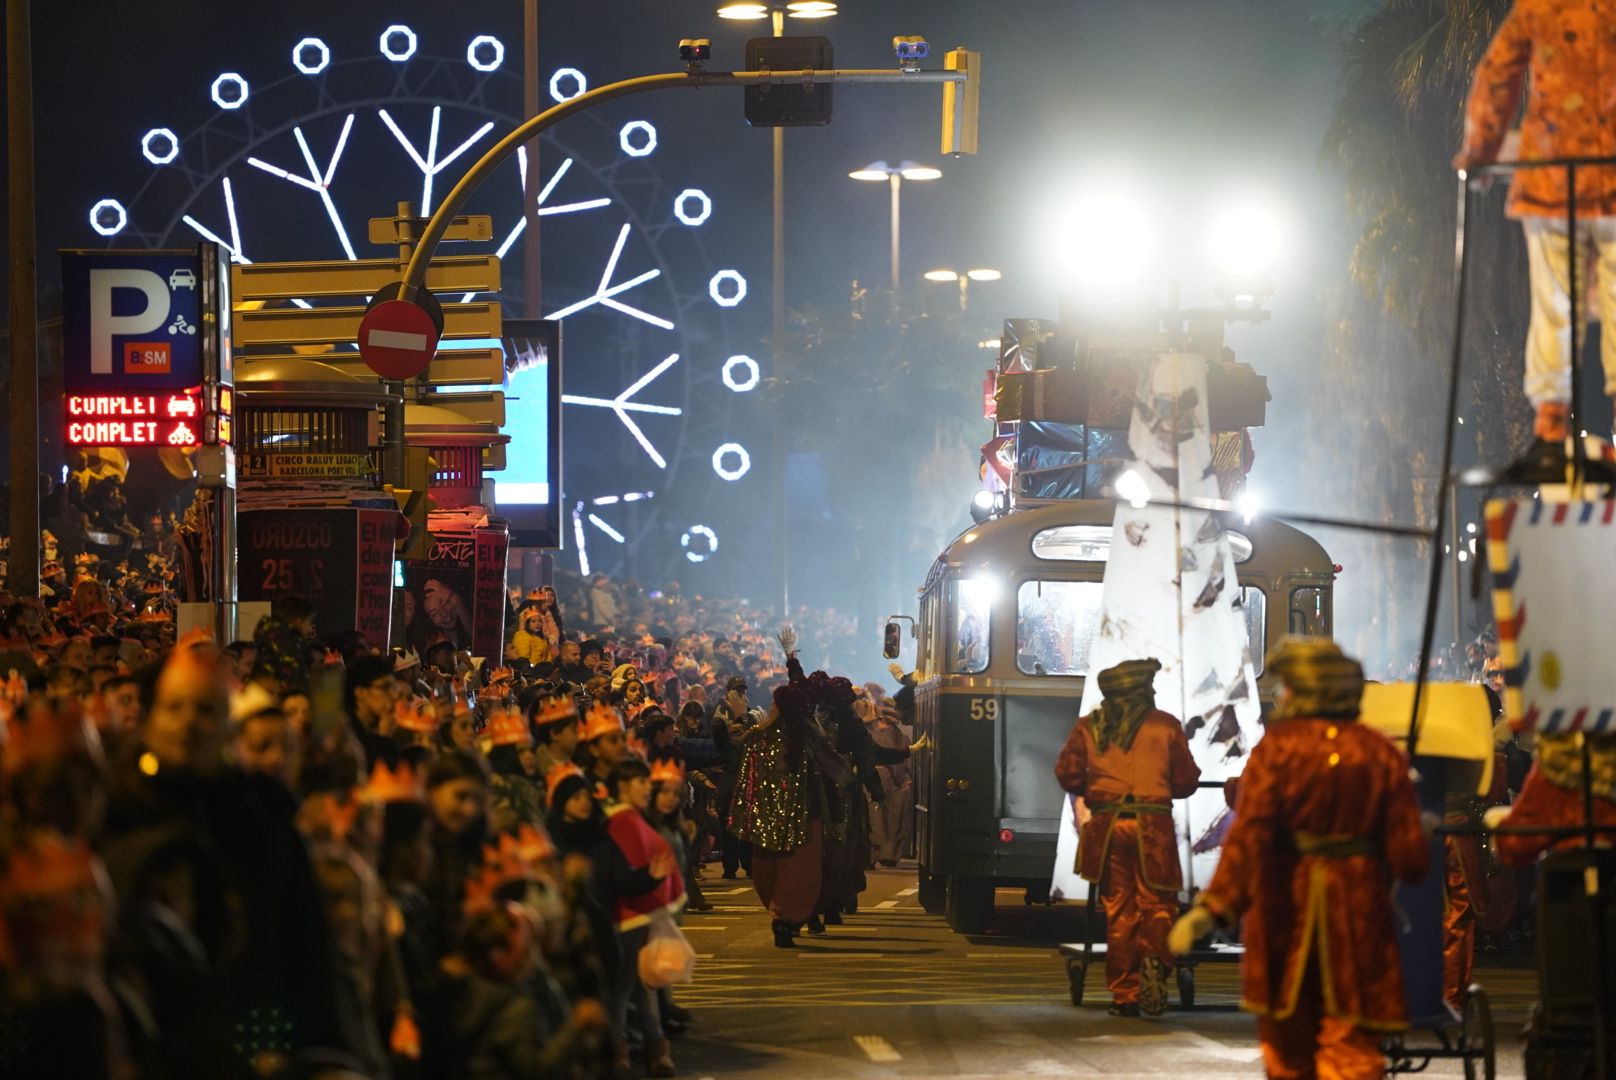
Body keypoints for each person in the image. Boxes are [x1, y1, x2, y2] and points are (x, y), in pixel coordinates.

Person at [1170, 638, 1430, 1079]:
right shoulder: (1380, 753)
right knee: (1351, 1046)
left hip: (1285, 916)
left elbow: (1249, 839)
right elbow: (1410, 861)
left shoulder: (1278, 750)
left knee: (1287, 1050)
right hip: (1359, 915)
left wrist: (1211, 910)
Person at [1455, 0, 1616, 480]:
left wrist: (1480, 150)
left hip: (1551, 180)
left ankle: (1550, 432)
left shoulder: (1541, 7)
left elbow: (1499, 74)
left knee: (1555, 304)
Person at [1055, 658, 1200, 1016]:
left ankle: (1126, 994)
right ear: (1139, 690)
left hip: (1106, 830)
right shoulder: (1165, 726)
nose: (1152, 691)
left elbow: (1068, 774)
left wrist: (1101, 788)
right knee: (1159, 903)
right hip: (1153, 828)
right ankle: (1155, 958)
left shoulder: (1090, 726)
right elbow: (1185, 781)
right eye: (1149, 686)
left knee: (1119, 910)